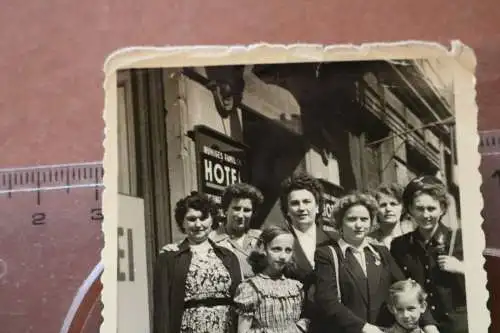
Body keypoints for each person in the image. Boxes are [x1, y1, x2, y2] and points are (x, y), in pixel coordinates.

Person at [313, 192, 439, 333]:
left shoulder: (381, 252)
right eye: (352, 219)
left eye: (364, 219)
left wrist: (429, 325)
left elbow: (407, 289)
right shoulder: (327, 254)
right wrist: (363, 327)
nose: (359, 225)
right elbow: (327, 300)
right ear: (340, 222)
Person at [153, 192, 242, 333]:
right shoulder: (169, 257)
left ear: (212, 219)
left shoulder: (228, 257)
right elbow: (162, 310)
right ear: (182, 222)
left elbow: (240, 302)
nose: (198, 224)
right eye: (191, 219)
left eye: (203, 218)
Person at [391, 176, 467, 333]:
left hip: (459, 327)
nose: (426, 215)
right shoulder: (400, 245)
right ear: (410, 209)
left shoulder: (461, 240)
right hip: (419, 328)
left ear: (442, 209)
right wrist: (428, 325)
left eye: (431, 208)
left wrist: (462, 268)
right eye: (419, 208)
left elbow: (488, 281)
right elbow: (401, 288)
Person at [233, 226, 309, 333]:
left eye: (288, 250)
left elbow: (305, 321)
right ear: (263, 249)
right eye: (276, 249)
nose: (283, 256)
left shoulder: (296, 287)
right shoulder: (251, 288)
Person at [278, 172, 339, 286]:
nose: (301, 208)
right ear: (287, 210)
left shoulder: (334, 240)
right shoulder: (278, 241)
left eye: (306, 202)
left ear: (317, 207)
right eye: (295, 203)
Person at [210, 183, 265, 278]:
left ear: (253, 213)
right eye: (236, 208)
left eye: (246, 210)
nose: (240, 215)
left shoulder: (262, 238)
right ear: (226, 210)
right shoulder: (211, 241)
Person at [368, 183, 415, 249]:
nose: (388, 209)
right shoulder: (369, 241)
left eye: (393, 204)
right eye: (383, 205)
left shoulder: (413, 236)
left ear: (403, 209)